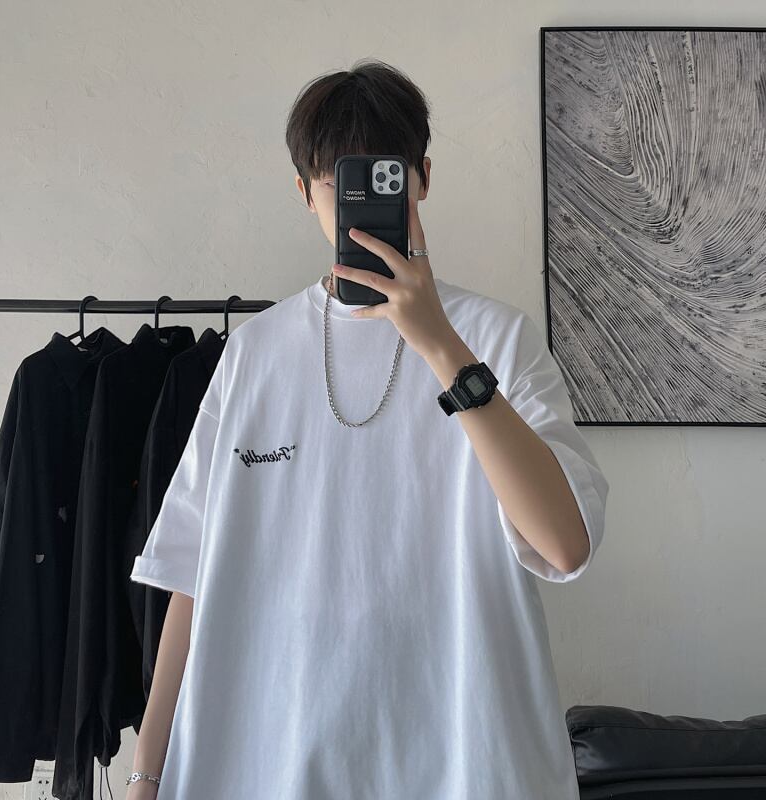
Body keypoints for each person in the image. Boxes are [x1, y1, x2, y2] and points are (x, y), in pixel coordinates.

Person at [126, 58, 609, 799]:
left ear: (422, 179)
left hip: (468, 764)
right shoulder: (254, 354)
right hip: (270, 764)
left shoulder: (498, 340)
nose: (358, 207)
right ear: (304, 192)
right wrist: (147, 774)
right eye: (337, 183)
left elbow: (564, 545)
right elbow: (194, 580)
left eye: (385, 178)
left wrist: (441, 346)